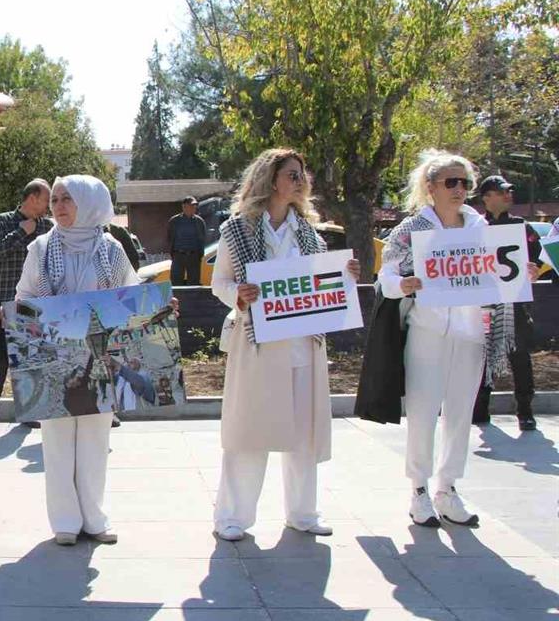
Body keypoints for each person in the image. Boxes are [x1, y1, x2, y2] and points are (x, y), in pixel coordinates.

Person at [379, 150, 539, 528]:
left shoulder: (482, 229)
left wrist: (524, 274)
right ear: (430, 187)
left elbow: (503, 273)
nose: (459, 189)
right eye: (450, 182)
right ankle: (419, 490)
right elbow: (386, 279)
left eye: (464, 183)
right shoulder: (410, 231)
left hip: (471, 334)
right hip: (427, 331)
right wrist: (403, 284)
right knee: (422, 412)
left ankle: (447, 489)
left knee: (460, 415)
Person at [209, 148, 358, 542]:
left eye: (302, 174)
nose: (300, 181)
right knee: (249, 432)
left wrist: (344, 275)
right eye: (292, 174)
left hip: (303, 344)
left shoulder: (309, 232)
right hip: (257, 344)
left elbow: (322, 285)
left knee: (304, 433)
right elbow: (219, 282)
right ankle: (232, 516)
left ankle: (303, 513)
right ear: (270, 179)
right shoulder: (237, 230)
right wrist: (239, 295)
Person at [15, 175, 137, 546]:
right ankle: (65, 522)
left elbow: (131, 296)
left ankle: (95, 519)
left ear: (89, 203)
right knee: (57, 441)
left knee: (96, 440)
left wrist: (158, 308)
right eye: (54, 199)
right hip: (54, 360)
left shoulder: (112, 249)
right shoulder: (40, 248)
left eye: (67, 198)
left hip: (99, 359)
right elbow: (24, 296)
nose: (59, 206)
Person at [0, 179, 54, 430]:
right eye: (46, 200)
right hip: (3, 302)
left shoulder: (47, 226)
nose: (48, 206)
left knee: (29, 361)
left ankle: (29, 411)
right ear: (32, 198)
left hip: (33, 304)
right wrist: (21, 232)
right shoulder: (2, 221)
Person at [473, 176, 542, 431]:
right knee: (483, 356)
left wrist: (534, 269)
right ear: (486, 197)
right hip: (483, 304)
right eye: (502, 192)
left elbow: (537, 258)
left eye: (509, 191)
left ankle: (525, 410)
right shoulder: (474, 227)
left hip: (513, 303)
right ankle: (480, 409)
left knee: (519, 356)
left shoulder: (521, 226)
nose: (508, 195)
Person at [168, 196, 207, 286]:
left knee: (194, 283)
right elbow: (169, 237)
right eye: (191, 206)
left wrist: (199, 255)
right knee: (176, 282)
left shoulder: (199, 221)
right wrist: (173, 253)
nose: (194, 208)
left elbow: (202, 239)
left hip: (194, 256)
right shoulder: (174, 221)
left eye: (195, 206)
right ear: (184, 207)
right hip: (178, 255)